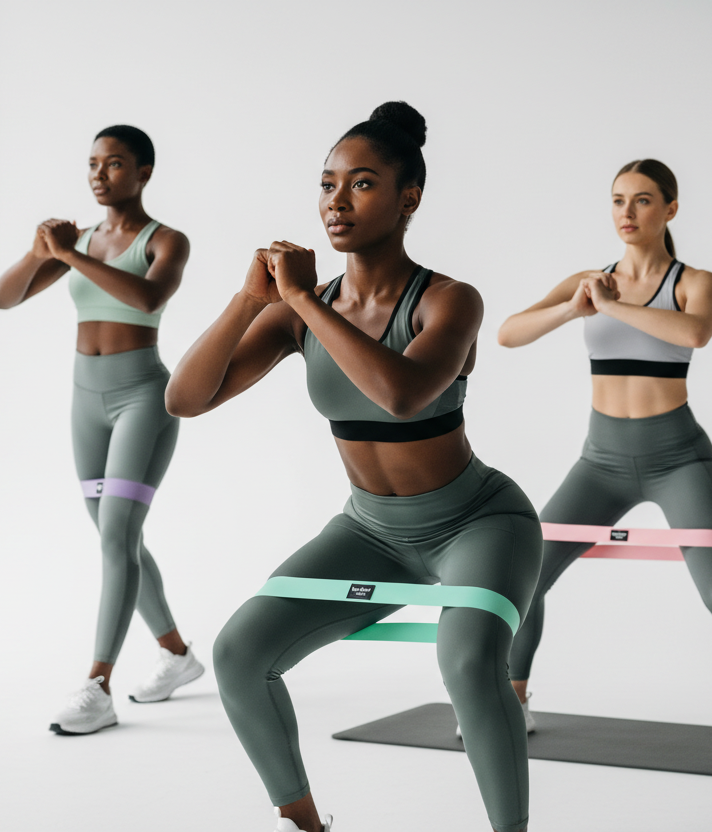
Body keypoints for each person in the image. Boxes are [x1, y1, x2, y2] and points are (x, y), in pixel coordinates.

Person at [166, 102, 541, 832]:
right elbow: (186, 398)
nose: (336, 201)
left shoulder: (448, 300)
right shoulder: (302, 313)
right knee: (240, 653)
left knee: (466, 664)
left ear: (410, 198)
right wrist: (252, 299)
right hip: (372, 531)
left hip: (478, 521)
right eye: (327, 184)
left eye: (361, 184)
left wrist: (303, 297)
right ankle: (304, 825)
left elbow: (401, 395)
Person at [495, 158, 712, 766]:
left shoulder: (696, 280)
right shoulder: (591, 279)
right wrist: (574, 309)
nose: (627, 214)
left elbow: (695, 333)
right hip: (600, 461)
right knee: (525, 575)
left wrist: (610, 309)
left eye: (642, 201)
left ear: (670, 208)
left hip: (677, 459)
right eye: (617, 201)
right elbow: (508, 333)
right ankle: (515, 699)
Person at [0, 125, 204, 735]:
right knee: (120, 541)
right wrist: (40, 253)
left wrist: (69, 256)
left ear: (144, 173)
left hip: (143, 397)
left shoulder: (167, 240)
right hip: (85, 399)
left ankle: (97, 684)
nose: (98, 173)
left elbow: (145, 299)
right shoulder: (77, 242)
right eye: (92, 163)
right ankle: (175, 653)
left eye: (114, 164)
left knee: (117, 536)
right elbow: (3, 299)